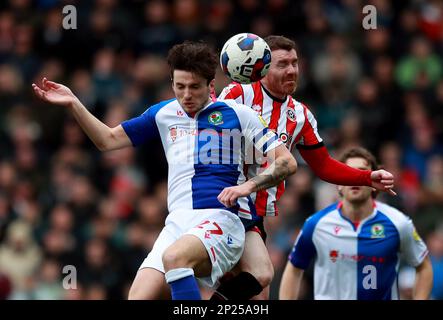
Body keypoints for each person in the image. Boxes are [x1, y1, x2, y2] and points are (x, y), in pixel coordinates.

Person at [32, 41, 297, 300]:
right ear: (171, 83)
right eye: (179, 86)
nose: (186, 95)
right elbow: (107, 140)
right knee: (138, 295)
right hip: (177, 223)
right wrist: (74, 104)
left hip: (220, 218)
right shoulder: (162, 114)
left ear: (211, 85)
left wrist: (248, 186)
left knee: (175, 258)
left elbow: (286, 162)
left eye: (194, 87)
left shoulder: (238, 114)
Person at [211, 35, 396, 300]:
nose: (292, 70)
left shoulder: (300, 115)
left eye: (295, 63)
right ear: (262, 67)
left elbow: (323, 166)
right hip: (225, 203)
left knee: (255, 292)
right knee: (256, 284)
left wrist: (367, 177)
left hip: (256, 212)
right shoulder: (238, 94)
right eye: (282, 64)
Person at [279, 147, 433, 300]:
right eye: (348, 172)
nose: (354, 178)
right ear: (338, 183)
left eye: (362, 172)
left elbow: (423, 266)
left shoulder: (398, 223)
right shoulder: (316, 224)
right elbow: (294, 268)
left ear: (374, 181)